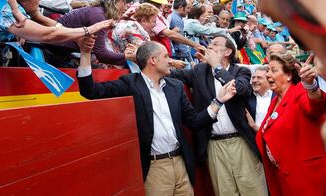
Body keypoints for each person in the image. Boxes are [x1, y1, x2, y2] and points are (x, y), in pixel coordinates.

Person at [77, 39, 238, 195]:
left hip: (181, 164)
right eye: (166, 56)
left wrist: (219, 101)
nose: (170, 61)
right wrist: (85, 54)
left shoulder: (174, 87)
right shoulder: (131, 83)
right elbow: (90, 91)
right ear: (153, 60)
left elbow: (194, 122)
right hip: (155, 168)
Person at [170, 35, 268, 195]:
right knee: (225, 192)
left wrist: (217, 67)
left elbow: (239, 89)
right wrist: (169, 62)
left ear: (228, 51)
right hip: (214, 144)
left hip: (240, 141)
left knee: (254, 189)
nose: (209, 46)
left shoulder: (240, 70)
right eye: (210, 42)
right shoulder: (199, 71)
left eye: (215, 44)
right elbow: (171, 75)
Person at [256, 53, 326, 195]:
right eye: (267, 70)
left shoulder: (300, 91)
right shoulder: (274, 102)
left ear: (289, 75)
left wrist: (310, 85)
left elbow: (317, 106)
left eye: (273, 70)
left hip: (308, 179)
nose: (268, 75)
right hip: (285, 178)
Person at [43, 0, 134, 67]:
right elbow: (102, 54)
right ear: (114, 2)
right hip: (52, 52)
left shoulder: (98, 12)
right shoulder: (98, 15)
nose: (126, 7)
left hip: (59, 50)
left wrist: (121, 18)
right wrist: (129, 57)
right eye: (124, 2)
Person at [246, 66, 273, 132]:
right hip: (253, 140)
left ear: (268, 79)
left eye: (259, 78)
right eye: (253, 77)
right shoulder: (247, 97)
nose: (254, 80)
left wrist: (254, 126)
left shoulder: (277, 97)